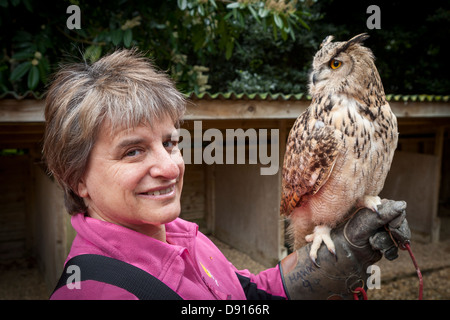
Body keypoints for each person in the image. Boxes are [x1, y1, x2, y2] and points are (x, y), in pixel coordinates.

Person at [45, 49, 410, 300]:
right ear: (76, 177)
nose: (171, 167)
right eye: (133, 151)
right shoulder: (94, 291)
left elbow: (245, 295)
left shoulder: (184, 237)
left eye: (171, 143)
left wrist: (340, 258)